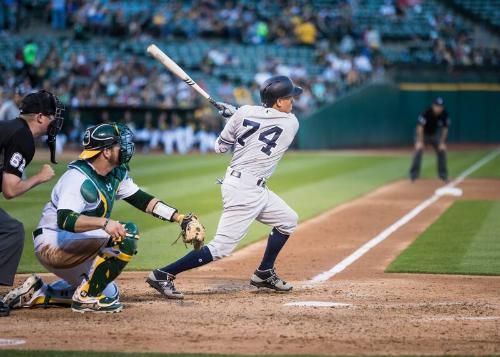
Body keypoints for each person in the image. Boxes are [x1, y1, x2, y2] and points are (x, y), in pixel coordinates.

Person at [3, 122, 200, 313]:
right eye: (120, 144)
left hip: (76, 241)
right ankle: (86, 299)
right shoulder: (78, 179)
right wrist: (104, 223)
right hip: (53, 242)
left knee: (110, 292)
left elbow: (142, 200)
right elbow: (66, 220)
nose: (126, 147)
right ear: (106, 151)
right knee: (126, 234)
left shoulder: (114, 173)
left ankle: (41, 292)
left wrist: (179, 218)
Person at [146, 75, 302, 299]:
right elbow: (262, 120)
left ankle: (264, 272)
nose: (292, 101)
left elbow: (219, 148)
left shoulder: (244, 112)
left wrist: (233, 118)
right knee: (222, 247)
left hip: (251, 186)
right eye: (289, 98)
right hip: (244, 191)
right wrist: (234, 114)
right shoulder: (291, 122)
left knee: (288, 219)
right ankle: (163, 274)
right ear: (278, 102)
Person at [0, 90, 64, 317]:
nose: (55, 121)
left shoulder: (10, 128)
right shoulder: (23, 138)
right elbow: (9, 189)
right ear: (39, 117)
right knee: (12, 230)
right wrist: (39, 177)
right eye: (52, 116)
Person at [409, 97, 450, 182]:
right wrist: (420, 142)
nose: (439, 108)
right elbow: (420, 127)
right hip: (422, 134)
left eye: (440, 106)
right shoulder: (426, 112)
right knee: (418, 150)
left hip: (434, 135)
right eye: (437, 106)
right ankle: (413, 175)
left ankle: (443, 175)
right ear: (433, 106)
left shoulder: (444, 114)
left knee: (442, 151)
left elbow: (445, 129)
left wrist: (442, 143)